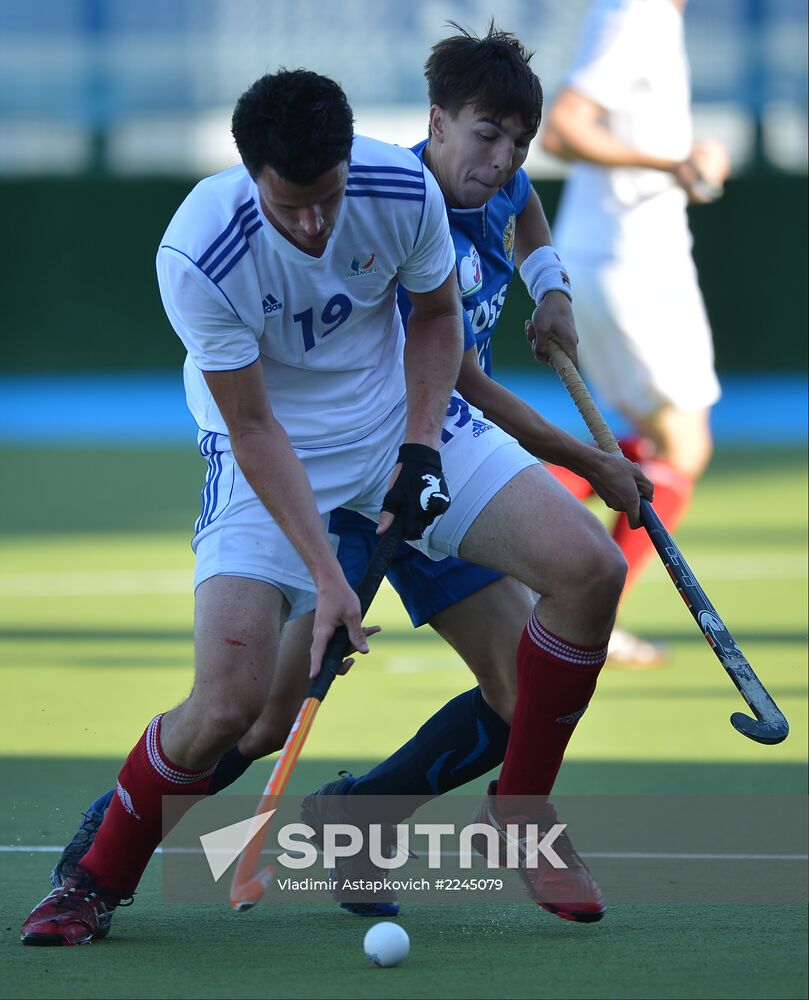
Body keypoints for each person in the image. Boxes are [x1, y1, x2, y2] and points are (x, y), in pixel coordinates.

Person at [27, 36, 651, 945]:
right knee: (237, 709)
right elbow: (254, 430)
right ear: (250, 176)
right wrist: (328, 580)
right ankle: (94, 879)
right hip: (271, 468)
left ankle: (520, 806)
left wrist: (422, 446)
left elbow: (438, 323)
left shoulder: (397, 193)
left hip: (394, 426)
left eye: (327, 199)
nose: (316, 226)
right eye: (293, 207)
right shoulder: (202, 253)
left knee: (589, 568)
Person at [541, 0, 730, 667]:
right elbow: (561, 129)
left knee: (657, 445)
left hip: (626, 257)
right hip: (630, 260)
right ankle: (590, 616)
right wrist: (671, 162)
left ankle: (515, 514)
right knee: (682, 445)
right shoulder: (639, 11)